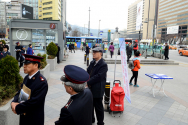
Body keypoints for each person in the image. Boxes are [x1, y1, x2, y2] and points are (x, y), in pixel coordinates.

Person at [11, 54, 48, 125]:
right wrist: (14, 101)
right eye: (24, 64)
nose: (24, 66)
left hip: (34, 119)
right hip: (24, 116)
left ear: (36, 65)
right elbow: (21, 91)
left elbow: (33, 102)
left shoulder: (42, 82)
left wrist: (17, 108)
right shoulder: (27, 77)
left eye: (27, 64)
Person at [87, 47, 108, 125]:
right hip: (90, 87)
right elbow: (88, 71)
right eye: (93, 52)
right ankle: (91, 119)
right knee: (90, 105)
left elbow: (99, 76)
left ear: (100, 53)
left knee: (98, 107)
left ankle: (100, 122)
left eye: (95, 52)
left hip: (98, 89)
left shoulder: (103, 64)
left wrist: (88, 82)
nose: (93, 53)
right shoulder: (92, 62)